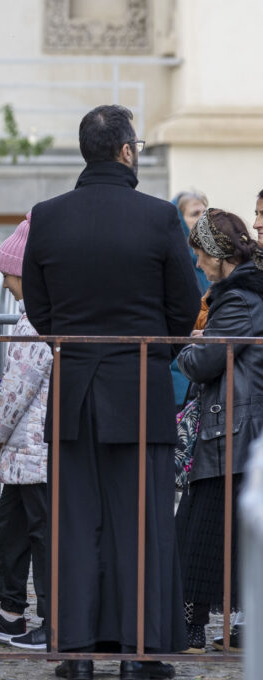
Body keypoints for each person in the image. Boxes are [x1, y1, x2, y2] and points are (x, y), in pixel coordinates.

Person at [22, 104, 200, 680]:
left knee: (74, 525)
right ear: (127, 152)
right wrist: (154, 352)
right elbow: (181, 304)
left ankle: (74, 653)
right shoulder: (157, 218)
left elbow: (40, 308)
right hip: (140, 385)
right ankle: (139, 653)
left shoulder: (47, 217)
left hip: (73, 389)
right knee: (143, 525)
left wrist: (76, 348)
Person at [175, 209, 263, 654]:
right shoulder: (242, 291)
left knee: (199, 537)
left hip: (232, 429)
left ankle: (190, 632)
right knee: (215, 535)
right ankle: (219, 631)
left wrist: (186, 342)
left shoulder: (239, 299)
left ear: (217, 254)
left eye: (199, 254)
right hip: (237, 426)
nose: (196, 263)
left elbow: (203, 360)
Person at [0, 216, 51, 650]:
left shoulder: (36, 318)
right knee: (12, 528)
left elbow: (17, 387)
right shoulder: (36, 315)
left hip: (32, 449)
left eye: (7, 274)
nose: (3, 283)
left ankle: (52, 620)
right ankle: (9, 612)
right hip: (27, 451)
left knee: (38, 533)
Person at [169, 190, 210, 409]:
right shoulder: (173, 262)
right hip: (179, 370)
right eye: (195, 214)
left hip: (208, 364)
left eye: (205, 212)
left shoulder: (217, 262)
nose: (202, 220)